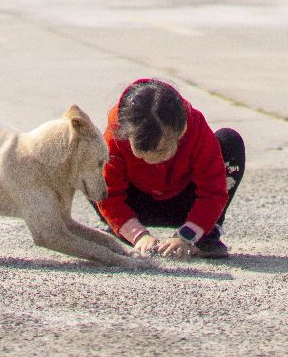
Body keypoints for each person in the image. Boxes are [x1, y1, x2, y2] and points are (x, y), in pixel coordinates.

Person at [95, 78, 245, 259]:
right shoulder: (116, 133)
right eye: (141, 153)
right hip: (135, 204)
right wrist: (139, 236)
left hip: (185, 204)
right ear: (126, 135)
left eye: (161, 151)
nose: (150, 161)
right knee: (91, 160)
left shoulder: (195, 128)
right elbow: (109, 194)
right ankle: (123, 229)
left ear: (181, 131)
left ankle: (205, 232)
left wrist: (186, 236)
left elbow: (214, 191)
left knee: (229, 140)